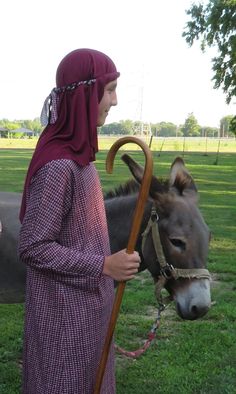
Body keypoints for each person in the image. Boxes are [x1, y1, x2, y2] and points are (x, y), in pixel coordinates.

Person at [18, 48, 141, 394]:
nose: (115, 101)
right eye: (110, 89)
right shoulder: (59, 166)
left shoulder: (81, 160)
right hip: (62, 322)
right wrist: (103, 265)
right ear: (86, 94)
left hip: (88, 314)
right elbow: (33, 246)